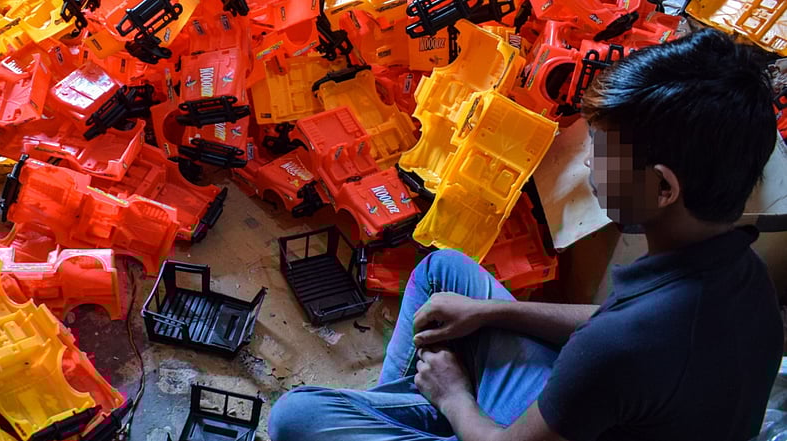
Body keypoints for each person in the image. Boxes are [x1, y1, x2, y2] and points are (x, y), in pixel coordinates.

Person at [267, 27, 783, 441]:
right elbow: (618, 318)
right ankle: (417, 406)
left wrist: (453, 396)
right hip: (615, 409)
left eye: (601, 153)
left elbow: (617, 337)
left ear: (663, 186)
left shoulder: (618, 348)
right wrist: (495, 310)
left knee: (298, 416)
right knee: (443, 273)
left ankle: (427, 408)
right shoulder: (742, 276)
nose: (588, 164)